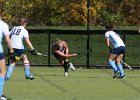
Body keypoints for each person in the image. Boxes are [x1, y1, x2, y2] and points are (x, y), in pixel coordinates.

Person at [0, 6, 13, 100]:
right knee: (2, 72)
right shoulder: (3, 24)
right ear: (2, 13)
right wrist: (12, 51)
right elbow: (8, 40)